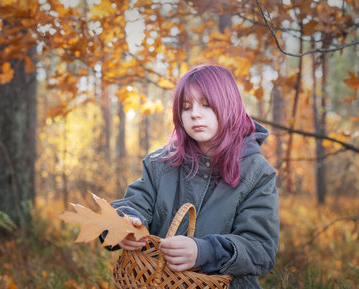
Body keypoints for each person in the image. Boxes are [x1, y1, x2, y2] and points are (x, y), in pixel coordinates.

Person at [108, 63, 279, 289]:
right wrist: (125, 224)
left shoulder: (258, 172)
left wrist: (204, 251)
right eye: (186, 107)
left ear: (228, 105)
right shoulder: (160, 164)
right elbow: (135, 203)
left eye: (206, 105)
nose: (195, 114)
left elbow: (261, 249)